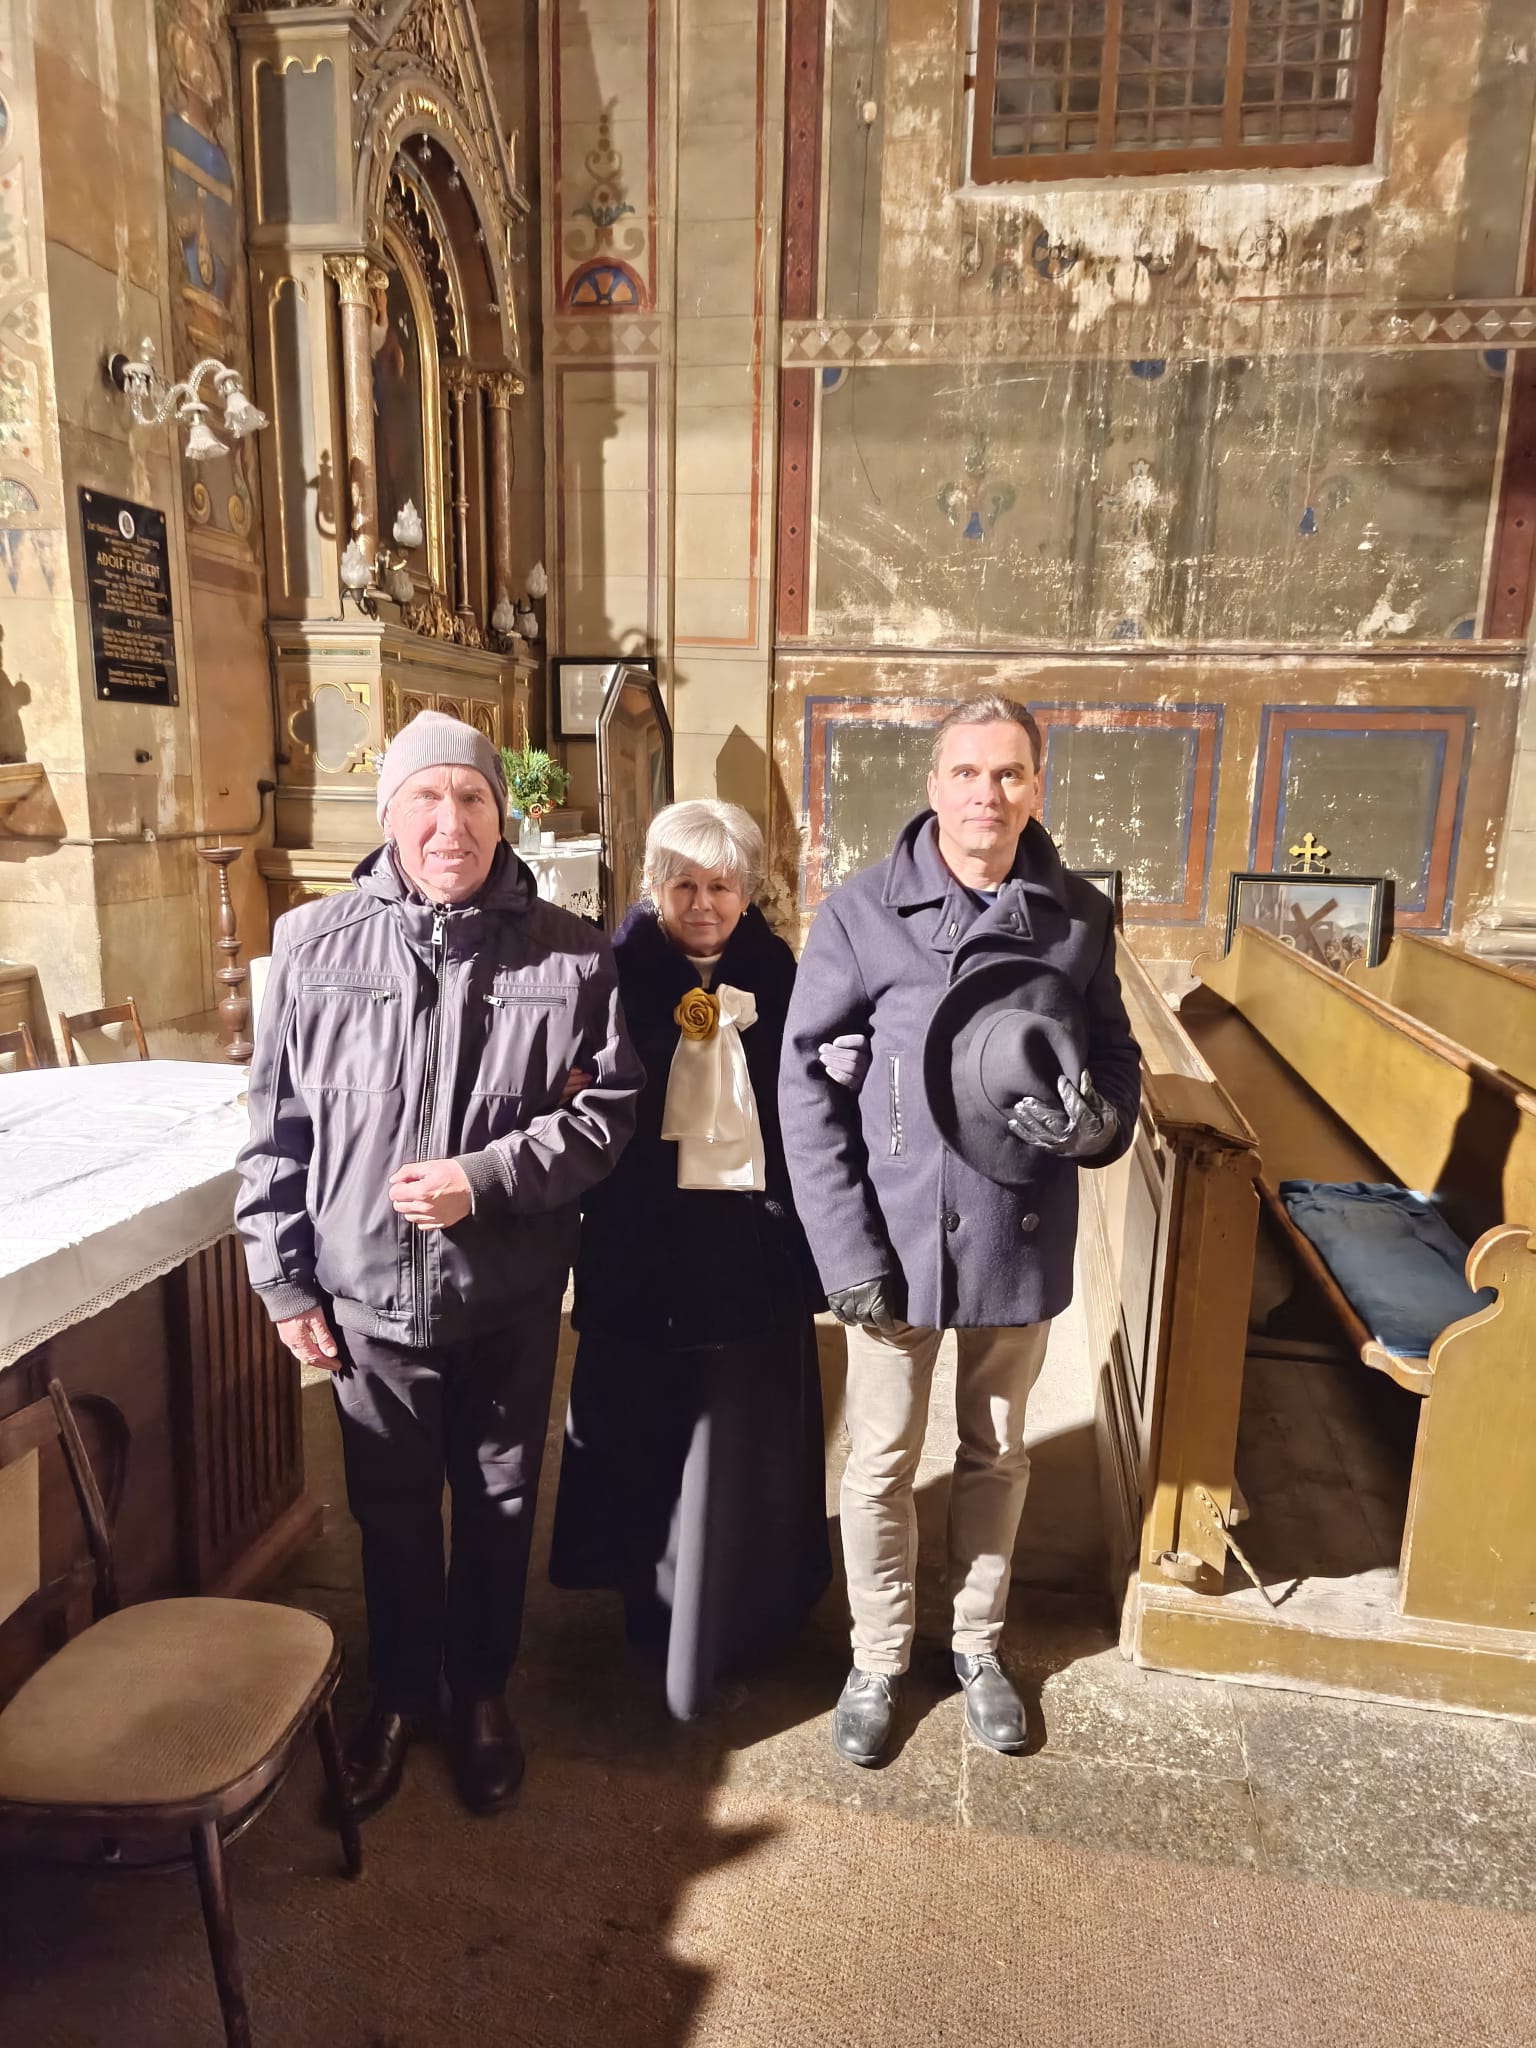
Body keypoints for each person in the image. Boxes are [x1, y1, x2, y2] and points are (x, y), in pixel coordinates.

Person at [235, 712, 641, 1818]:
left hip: (505, 1292)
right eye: (426, 798)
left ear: (502, 817)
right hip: (367, 1295)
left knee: (501, 1505)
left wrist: (487, 1175)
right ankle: (401, 1695)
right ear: (390, 816)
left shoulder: (570, 952)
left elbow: (606, 1117)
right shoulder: (313, 945)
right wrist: (282, 1277)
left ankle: (482, 1694)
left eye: (470, 799)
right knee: (394, 1512)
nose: (449, 822)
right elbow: (276, 1129)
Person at [779, 695, 1140, 1766]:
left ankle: (977, 1645)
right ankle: (878, 1654)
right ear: (934, 783)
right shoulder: (863, 912)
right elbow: (804, 1089)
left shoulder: (1078, 916)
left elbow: (1115, 1057)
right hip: (892, 1242)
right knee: (880, 1458)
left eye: (1010, 773)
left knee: (995, 1452)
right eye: (968, 772)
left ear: (1037, 787)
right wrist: (844, 1253)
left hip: (1016, 1228)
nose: (989, 793)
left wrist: (1101, 1124)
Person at [549, 800, 831, 1719]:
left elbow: (810, 1106)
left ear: (748, 891)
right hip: (646, 1251)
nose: (703, 904)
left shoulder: (780, 974)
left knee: (745, 1436)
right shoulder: (611, 974)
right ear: (652, 889)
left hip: (751, 1254)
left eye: (721, 885)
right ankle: (653, 1599)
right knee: (651, 1431)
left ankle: (751, 1604)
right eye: (684, 885)